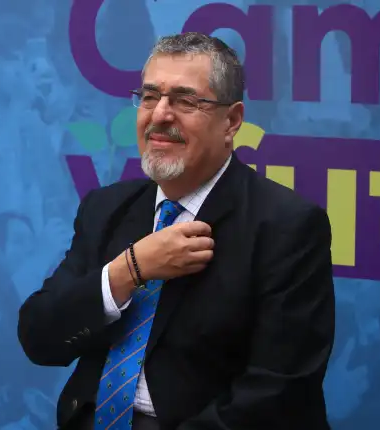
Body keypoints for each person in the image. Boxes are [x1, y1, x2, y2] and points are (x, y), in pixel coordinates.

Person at [18, 33, 335, 430]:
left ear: (231, 121)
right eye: (150, 97)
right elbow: (40, 338)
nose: (160, 115)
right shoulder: (107, 208)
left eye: (185, 101)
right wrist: (126, 271)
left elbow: (278, 393)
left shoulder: (286, 226)